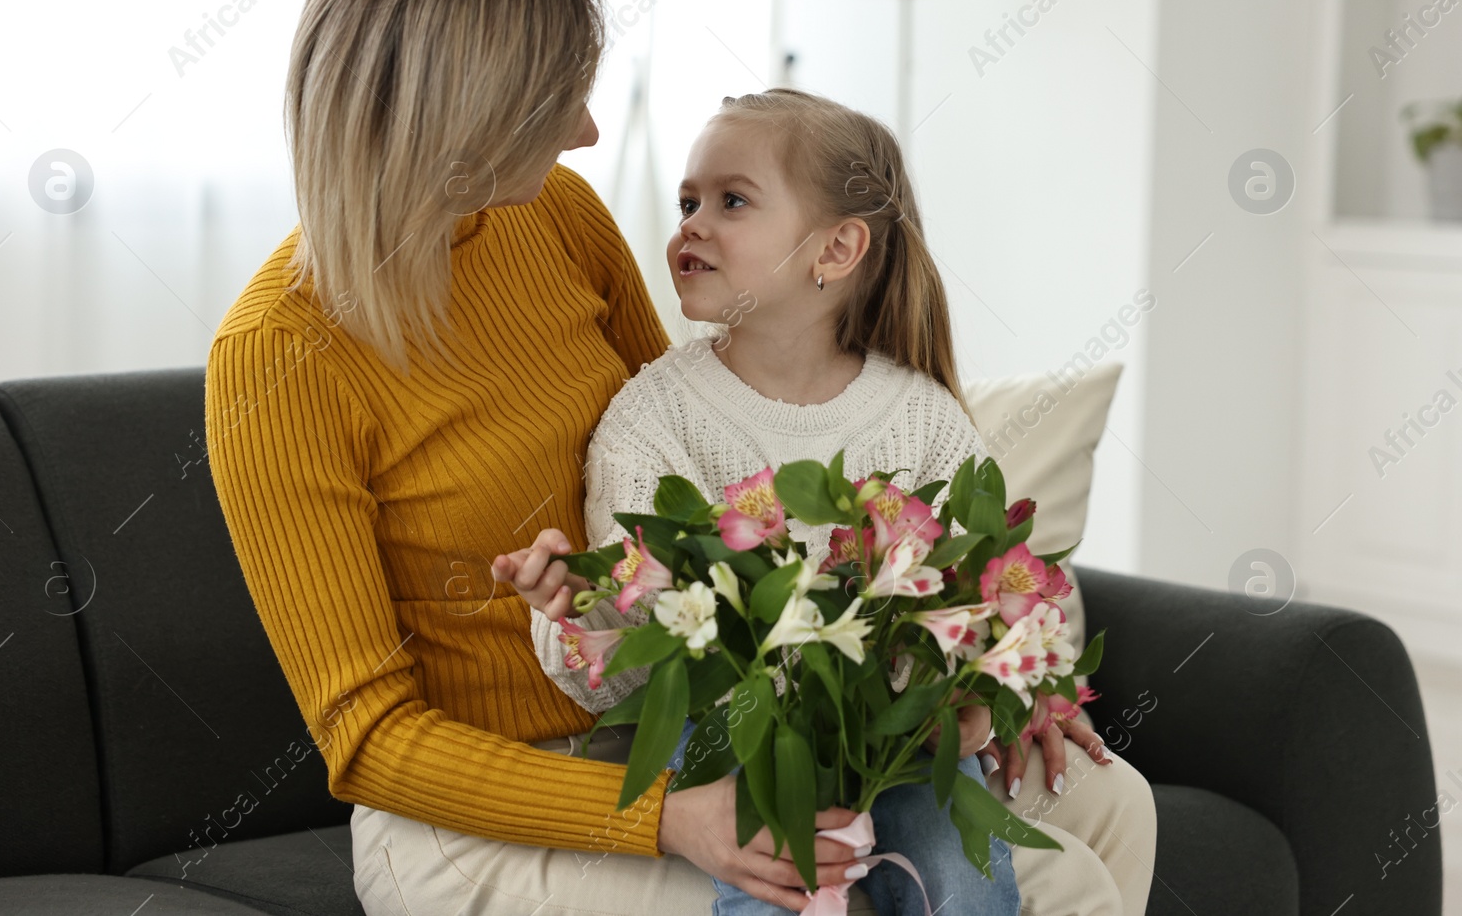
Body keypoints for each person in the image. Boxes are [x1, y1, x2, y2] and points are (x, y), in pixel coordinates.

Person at [204, 0, 879, 916]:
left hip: (667, 725)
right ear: (463, 126)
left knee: (1097, 808)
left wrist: (961, 679)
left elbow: (691, 470)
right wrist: (661, 812)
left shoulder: (554, 214)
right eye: (558, 98)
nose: (588, 127)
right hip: (469, 820)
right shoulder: (277, 358)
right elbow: (369, 738)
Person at [492, 89, 1157, 916]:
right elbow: (632, 660)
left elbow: (986, 596)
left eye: (731, 201)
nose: (692, 224)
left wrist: (998, 696)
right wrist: (577, 610)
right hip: (739, 750)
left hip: (898, 744)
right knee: (775, 895)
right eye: (687, 201)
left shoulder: (922, 417)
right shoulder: (648, 418)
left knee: (966, 885)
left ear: (837, 248)